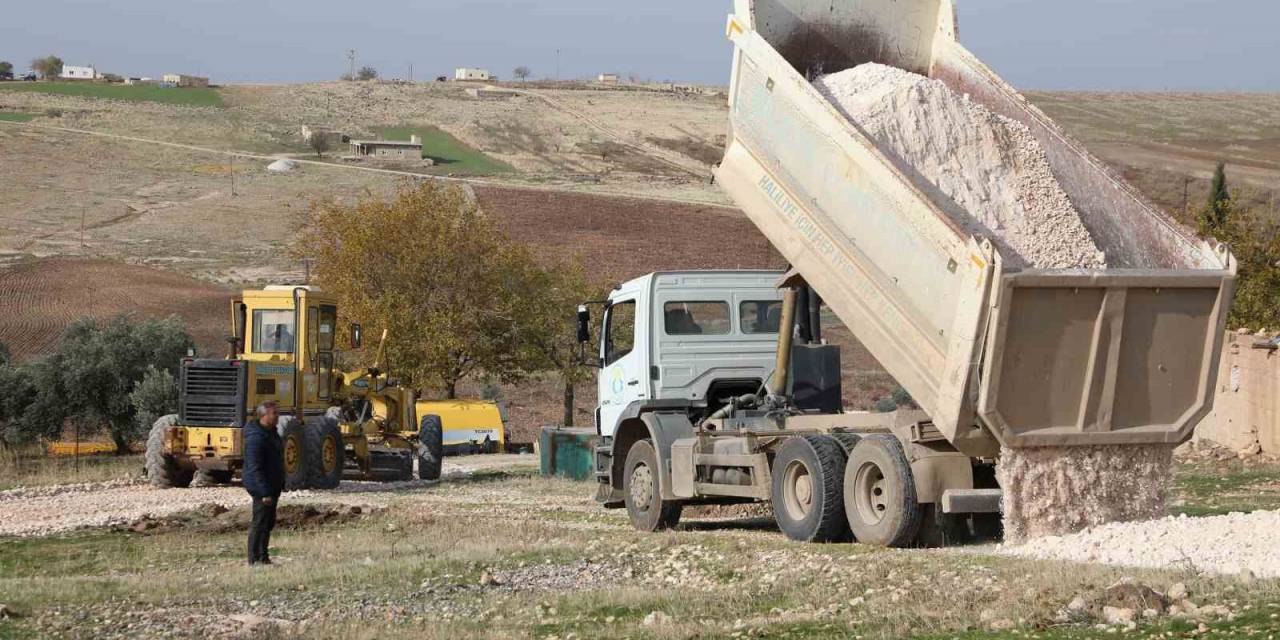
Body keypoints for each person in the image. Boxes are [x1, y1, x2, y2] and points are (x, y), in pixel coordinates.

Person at [242, 401, 285, 565]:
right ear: (264, 416)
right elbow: (254, 468)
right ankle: (253, 559)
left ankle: (263, 556)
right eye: (274, 413)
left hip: (272, 486)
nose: (278, 416)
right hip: (262, 488)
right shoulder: (256, 438)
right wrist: (264, 492)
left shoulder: (272, 433)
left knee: (268, 522)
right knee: (259, 522)